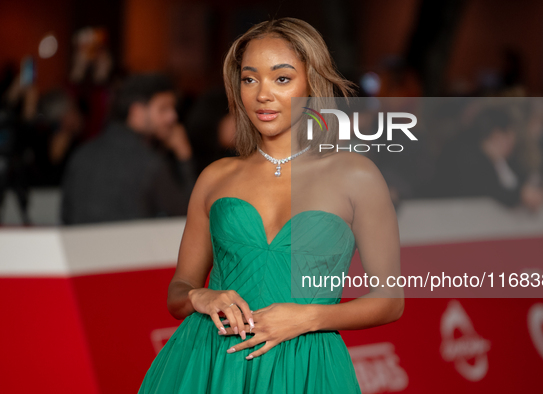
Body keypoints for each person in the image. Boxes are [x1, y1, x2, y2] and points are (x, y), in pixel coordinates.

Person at [138, 18, 403, 394]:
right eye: (249, 79)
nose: (262, 94)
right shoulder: (216, 177)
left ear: (312, 81)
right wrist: (201, 295)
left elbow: (390, 301)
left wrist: (307, 317)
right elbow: (179, 291)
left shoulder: (356, 175)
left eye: (282, 79)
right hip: (208, 362)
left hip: (306, 366)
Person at [60, 73, 197, 225]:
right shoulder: (150, 163)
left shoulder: (81, 154)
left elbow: (66, 216)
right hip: (133, 247)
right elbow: (187, 216)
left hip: (78, 247)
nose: (173, 116)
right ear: (136, 112)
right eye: (164, 109)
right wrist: (184, 156)